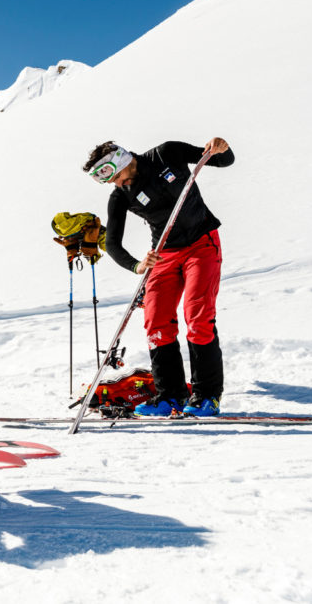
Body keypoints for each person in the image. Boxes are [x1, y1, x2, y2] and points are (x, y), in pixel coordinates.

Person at [83, 138, 235, 416]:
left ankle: (206, 396)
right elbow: (113, 244)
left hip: (201, 243)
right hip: (163, 254)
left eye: (113, 176)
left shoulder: (167, 154)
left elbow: (223, 160)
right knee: (156, 323)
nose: (113, 184)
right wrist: (136, 265)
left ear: (121, 161)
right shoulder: (121, 196)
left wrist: (221, 148)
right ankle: (171, 396)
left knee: (198, 318)